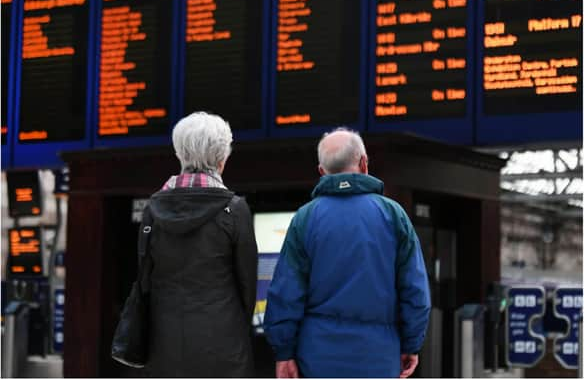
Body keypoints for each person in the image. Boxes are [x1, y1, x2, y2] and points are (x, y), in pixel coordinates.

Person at [264, 128, 431, 378]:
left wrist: (284, 352)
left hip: (317, 358)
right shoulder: (393, 215)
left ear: (322, 172)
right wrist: (411, 344)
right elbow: (415, 291)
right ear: (364, 164)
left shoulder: (306, 218)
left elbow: (285, 292)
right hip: (379, 357)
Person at [144, 112, 258, 377]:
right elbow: (247, 287)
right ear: (222, 159)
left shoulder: (153, 209)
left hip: (163, 343)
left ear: (179, 153)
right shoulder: (235, 209)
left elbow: (145, 278)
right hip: (223, 346)